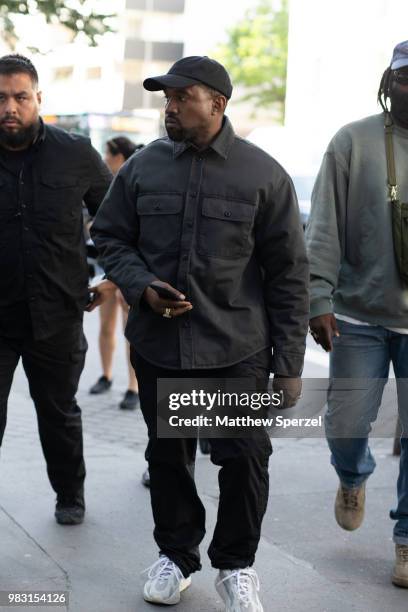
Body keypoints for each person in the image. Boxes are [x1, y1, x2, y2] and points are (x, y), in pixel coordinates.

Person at [91, 56, 308, 610]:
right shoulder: (143, 167)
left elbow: (288, 275)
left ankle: (236, 567)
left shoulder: (264, 175)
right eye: (165, 97)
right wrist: (141, 288)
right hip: (162, 346)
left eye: (181, 97)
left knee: (243, 459)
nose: (170, 107)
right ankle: (176, 557)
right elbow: (111, 238)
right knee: (168, 458)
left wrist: (289, 364)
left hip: (237, 350)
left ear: (218, 102)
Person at [306, 40, 408, 588]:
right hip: (359, 316)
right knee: (346, 426)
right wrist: (317, 298)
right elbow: (322, 226)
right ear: (389, 81)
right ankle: (352, 473)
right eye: (406, 76)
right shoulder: (353, 141)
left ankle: (407, 539)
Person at [0, 54, 113, 526]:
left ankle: (70, 494)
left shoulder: (76, 153)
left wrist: (112, 277)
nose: (10, 107)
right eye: (1, 98)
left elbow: (117, 218)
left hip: (58, 314)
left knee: (59, 414)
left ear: (38, 98)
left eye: (20, 97)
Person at [89, 136, 143, 411]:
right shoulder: (103, 182)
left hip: (128, 268)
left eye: (107, 153)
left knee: (128, 328)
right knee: (105, 324)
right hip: (105, 266)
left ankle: (133, 387)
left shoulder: (134, 179)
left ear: (118, 155)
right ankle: (106, 375)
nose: (104, 157)